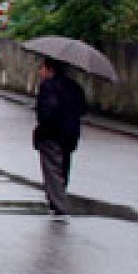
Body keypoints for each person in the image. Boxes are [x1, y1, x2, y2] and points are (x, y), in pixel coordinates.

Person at [34, 58, 86, 216]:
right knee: (63, 168)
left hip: (51, 134)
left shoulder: (48, 86)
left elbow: (48, 110)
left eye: (42, 68)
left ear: (50, 69)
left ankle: (59, 205)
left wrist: (43, 120)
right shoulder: (75, 86)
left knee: (52, 171)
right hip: (70, 135)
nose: (40, 72)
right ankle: (57, 200)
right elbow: (83, 109)